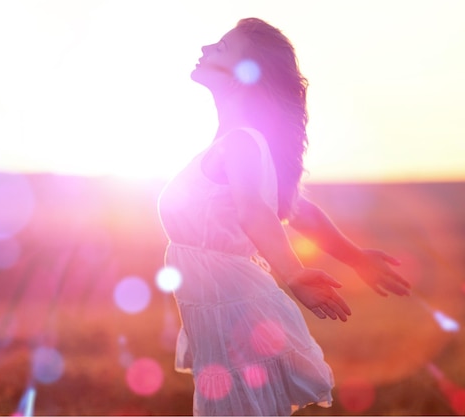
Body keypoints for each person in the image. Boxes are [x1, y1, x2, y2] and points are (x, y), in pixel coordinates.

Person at [157, 17, 411, 416]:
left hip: (232, 306)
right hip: (222, 307)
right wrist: (356, 258)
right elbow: (296, 209)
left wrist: (294, 274)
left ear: (244, 75)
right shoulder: (238, 141)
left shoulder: (240, 142)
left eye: (221, 47)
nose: (206, 48)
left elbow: (255, 210)